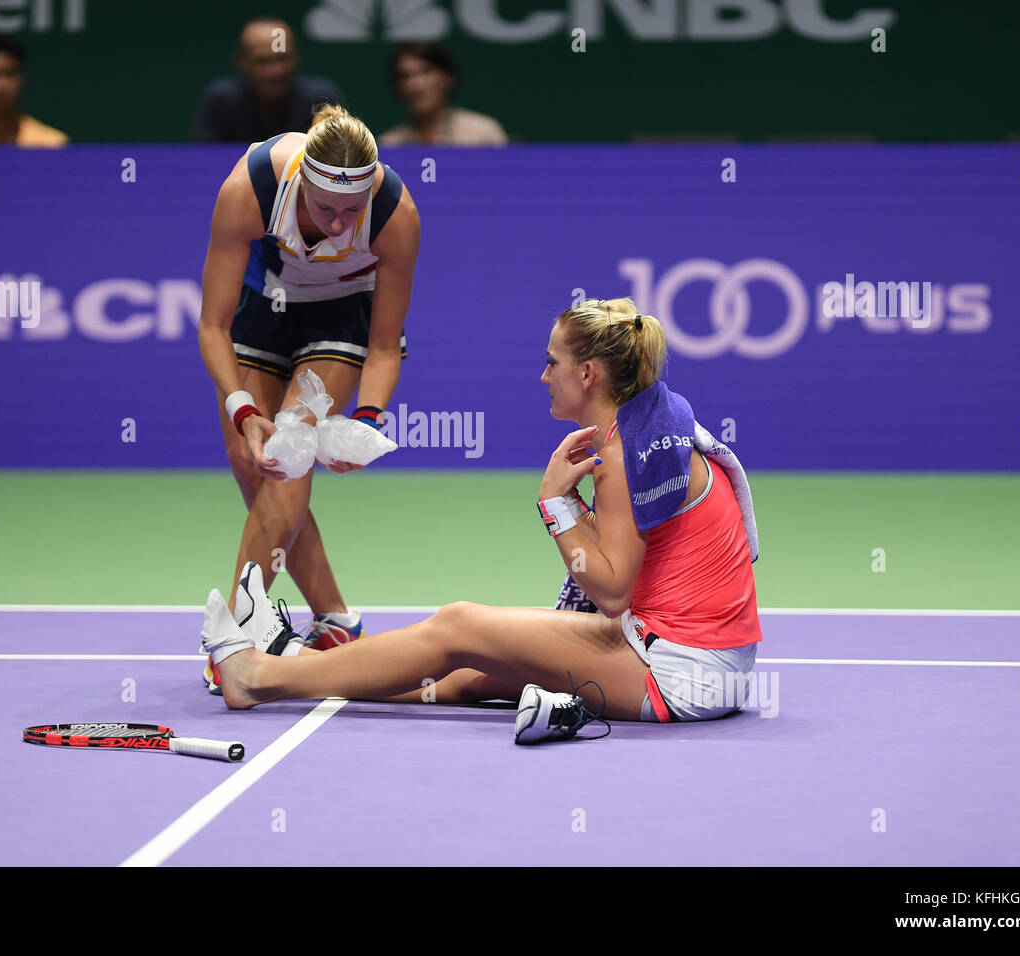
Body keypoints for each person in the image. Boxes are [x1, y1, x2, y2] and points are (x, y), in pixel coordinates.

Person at [200, 299, 764, 743]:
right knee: (471, 672)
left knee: (459, 625)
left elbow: (614, 590)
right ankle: (293, 660)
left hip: (684, 672)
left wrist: (556, 504)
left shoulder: (621, 454)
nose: (544, 376)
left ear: (588, 373)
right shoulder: (642, 431)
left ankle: (256, 677)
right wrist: (573, 509)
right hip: (697, 656)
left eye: (553, 362)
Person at [197, 102, 420, 693]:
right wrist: (242, 411)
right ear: (301, 182)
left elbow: (383, 346)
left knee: (289, 449)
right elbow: (212, 327)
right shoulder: (250, 186)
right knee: (256, 461)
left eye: (354, 209)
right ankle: (338, 618)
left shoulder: (396, 213)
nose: (343, 223)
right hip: (262, 307)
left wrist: (365, 423)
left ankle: (236, 636)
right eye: (327, 209)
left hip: (342, 315)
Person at [192, 16, 344, 143]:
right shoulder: (221, 100)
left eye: (282, 59)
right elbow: (205, 160)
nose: (275, 71)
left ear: (296, 57)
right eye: (262, 61)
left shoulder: (321, 98)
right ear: (242, 61)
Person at [378, 43, 506, 147]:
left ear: (447, 78)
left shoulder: (482, 133)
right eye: (405, 76)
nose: (414, 85)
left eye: (425, 72)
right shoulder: (390, 144)